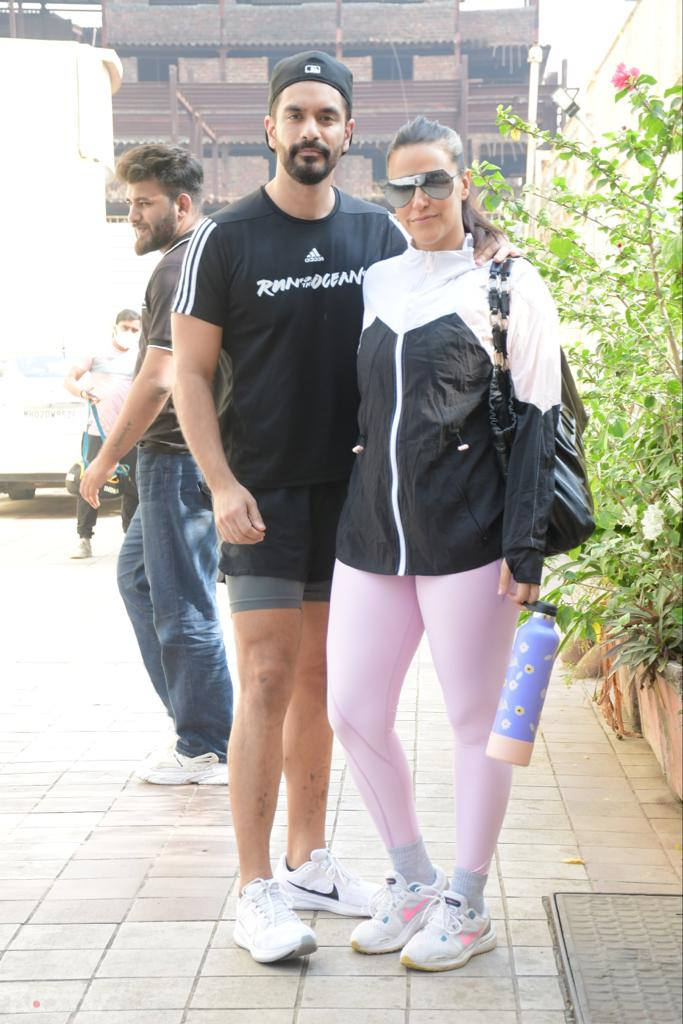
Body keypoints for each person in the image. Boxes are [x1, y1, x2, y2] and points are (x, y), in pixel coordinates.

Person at [171, 52, 513, 964]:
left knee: (330, 687)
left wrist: (493, 249)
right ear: (270, 129)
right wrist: (220, 483)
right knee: (268, 681)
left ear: (348, 133)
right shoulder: (225, 238)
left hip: (363, 505)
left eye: (328, 116)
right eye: (296, 115)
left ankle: (311, 862)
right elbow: (188, 375)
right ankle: (253, 890)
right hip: (263, 495)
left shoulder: (380, 232)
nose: (312, 130)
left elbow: (453, 284)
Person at [326, 115, 560, 973]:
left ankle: (466, 901)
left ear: (464, 183)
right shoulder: (378, 280)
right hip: (370, 534)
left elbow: (540, 422)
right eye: (401, 185)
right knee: (350, 709)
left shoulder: (507, 283)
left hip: (468, 538)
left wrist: (524, 552)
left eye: (433, 181)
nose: (418, 199)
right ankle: (412, 878)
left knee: (473, 724)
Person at [80, 145, 233, 786]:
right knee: (140, 581)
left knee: (182, 606)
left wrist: (103, 459)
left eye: (143, 203)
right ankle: (207, 725)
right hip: (172, 459)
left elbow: (158, 377)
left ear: (181, 204)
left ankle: (209, 745)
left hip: (175, 457)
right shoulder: (196, 256)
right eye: (130, 201)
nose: (133, 214)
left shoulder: (180, 265)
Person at [64, 309, 140, 558]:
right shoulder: (96, 352)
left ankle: (131, 540)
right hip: (98, 432)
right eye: (125, 327)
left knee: (134, 487)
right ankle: (84, 538)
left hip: (131, 433)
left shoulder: (141, 356)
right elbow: (70, 379)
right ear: (115, 327)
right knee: (91, 482)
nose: (129, 333)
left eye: (134, 329)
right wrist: (82, 393)